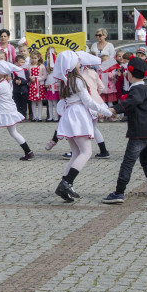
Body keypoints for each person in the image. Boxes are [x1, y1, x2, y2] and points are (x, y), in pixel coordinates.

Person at [47, 51, 113, 202]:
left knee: (76, 153)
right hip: (78, 116)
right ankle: (67, 183)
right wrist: (107, 112)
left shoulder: (66, 80)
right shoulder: (77, 79)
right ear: (72, 64)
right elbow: (88, 102)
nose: (79, 62)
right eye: (77, 60)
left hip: (70, 115)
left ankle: (64, 185)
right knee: (86, 152)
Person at [101, 57, 147, 204]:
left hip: (139, 133)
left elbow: (132, 102)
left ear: (130, 74)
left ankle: (119, 192)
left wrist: (114, 109)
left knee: (128, 162)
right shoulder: (144, 89)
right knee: (146, 161)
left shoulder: (137, 90)